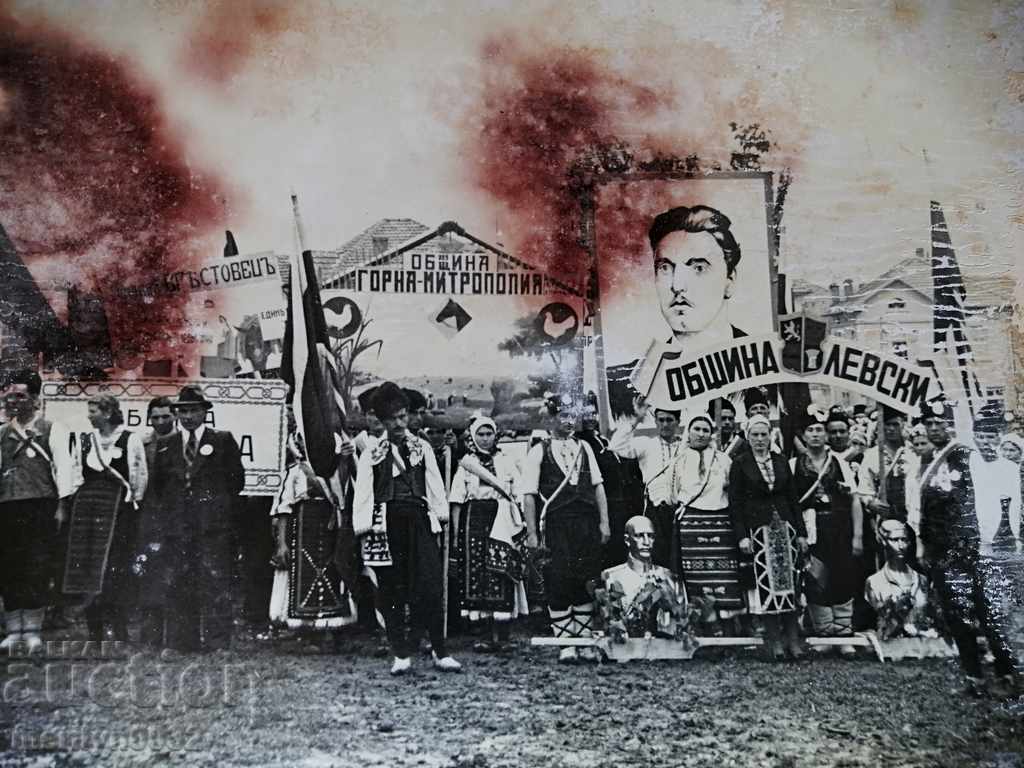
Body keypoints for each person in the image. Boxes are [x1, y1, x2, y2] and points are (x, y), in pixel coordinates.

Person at [352, 382, 460, 675]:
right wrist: (363, 530)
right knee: (391, 589)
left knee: (430, 585)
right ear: (383, 421)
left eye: (403, 416)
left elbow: (435, 485)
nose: (400, 423)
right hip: (385, 522)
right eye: (393, 419)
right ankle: (401, 653)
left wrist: (441, 517)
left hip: (419, 519)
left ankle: (440, 650)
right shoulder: (371, 453)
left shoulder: (421, 446)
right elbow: (363, 492)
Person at [604, 205, 746, 420]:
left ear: (730, 281)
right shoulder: (620, 388)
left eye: (698, 267)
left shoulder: (771, 370)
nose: (677, 285)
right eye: (665, 268)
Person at [917, 397, 1018, 698]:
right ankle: (974, 677)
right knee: (958, 616)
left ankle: (1006, 674)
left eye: (940, 423)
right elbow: (932, 507)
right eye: (929, 424)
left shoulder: (971, 459)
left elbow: (1005, 511)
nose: (935, 428)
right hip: (951, 552)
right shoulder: (940, 460)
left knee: (991, 615)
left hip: (985, 550)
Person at [141, 384, 244, 651]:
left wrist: (214, 509)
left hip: (211, 526)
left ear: (204, 412)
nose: (187, 417)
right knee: (177, 582)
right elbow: (159, 487)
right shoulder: (166, 445)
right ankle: (179, 642)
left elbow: (236, 482)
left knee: (214, 582)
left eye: (193, 411)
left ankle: (217, 642)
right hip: (177, 527)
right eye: (182, 411)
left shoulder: (221, 440)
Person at [522, 393, 610, 663]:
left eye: (573, 416)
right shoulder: (539, 450)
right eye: (563, 416)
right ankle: (566, 644)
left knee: (584, 577)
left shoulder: (585, 448)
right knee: (558, 577)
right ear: (550, 418)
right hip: (557, 523)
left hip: (585, 523)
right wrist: (533, 533)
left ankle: (583, 640)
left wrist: (604, 522)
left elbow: (598, 486)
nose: (569, 421)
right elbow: (529, 494)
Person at [0, 371, 80, 652]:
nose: (13, 401)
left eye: (20, 396)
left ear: (34, 399)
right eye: (9, 395)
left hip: (40, 506)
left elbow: (65, 469)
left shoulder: (51, 428)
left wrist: (61, 506)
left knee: (35, 567)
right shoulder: (1, 433)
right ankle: (13, 631)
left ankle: (32, 631)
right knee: (9, 569)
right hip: (7, 507)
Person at [63, 394, 147, 641]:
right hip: (88, 513)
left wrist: (132, 508)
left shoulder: (130, 440)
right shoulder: (85, 441)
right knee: (89, 568)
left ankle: (119, 629)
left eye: (93, 411)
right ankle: (95, 630)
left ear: (108, 412)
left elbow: (139, 478)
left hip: (119, 513)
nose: (89, 416)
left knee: (115, 569)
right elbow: (77, 475)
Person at [728, 415, 808, 660]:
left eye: (764, 435)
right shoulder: (740, 463)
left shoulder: (781, 460)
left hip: (785, 530)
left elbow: (793, 499)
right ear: (748, 437)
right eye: (755, 435)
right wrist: (742, 536)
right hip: (759, 531)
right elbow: (736, 503)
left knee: (791, 584)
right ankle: (774, 641)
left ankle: (793, 640)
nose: (760, 440)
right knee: (767, 586)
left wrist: (802, 533)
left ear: (770, 436)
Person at [449, 415, 528, 651]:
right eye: (480, 434)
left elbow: (520, 491)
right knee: (478, 574)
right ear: (473, 437)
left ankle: (503, 635)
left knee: (501, 571)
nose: (485, 439)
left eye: (489, 434)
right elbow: (456, 500)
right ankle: (483, 634)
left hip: (502, 518)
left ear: (496, 435)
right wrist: (455, 534)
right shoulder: (466, 464)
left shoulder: (506, 460)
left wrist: (519, 522)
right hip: (474, 520)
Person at [790, 407, 863, 657]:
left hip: (839, 527)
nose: (816, 435)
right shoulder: (794, 465)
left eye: (820, 430)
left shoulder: (840, 462)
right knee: (816, 577)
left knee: (843, 575)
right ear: (803, 435)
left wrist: (858, 536)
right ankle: (823, 631)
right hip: (811, 528)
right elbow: (791, 502)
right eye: (810, 430)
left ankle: (843, 633)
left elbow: (854, 499)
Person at [674, 413, 741, 633]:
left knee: (725, 576)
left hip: (720, 521)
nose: (701, 434)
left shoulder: (723, 459)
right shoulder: (679, 458)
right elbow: (672, 490)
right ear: (688, 433)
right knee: (697, 578)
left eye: (706, 430)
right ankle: (709, 628)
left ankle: (729, 630)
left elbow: (732, 489)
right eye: (697, 429)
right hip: (692, 522)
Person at [608, 397, 683, 569]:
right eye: (661, 420)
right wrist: (636, 419)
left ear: (677, 422)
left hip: (681, 510)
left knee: (681, 557)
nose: (665, 424)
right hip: (655, 509)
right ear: (656, 421)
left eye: (669, 420)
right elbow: (616, 446)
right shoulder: (647, 444)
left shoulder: (685, 446)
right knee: (657, 558)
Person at [598, 516, 687, 640]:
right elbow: (603, 623)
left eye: (650, 536)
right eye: (639, 536)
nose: (646, 541)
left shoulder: (669, 577)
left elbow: (681, 622)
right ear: (627, 540)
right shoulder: (610, 576)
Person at [576, 403, 643, 567]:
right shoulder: (580, 443)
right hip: (602, 505)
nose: (591, 418)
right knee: (609, 553)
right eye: (586, 414)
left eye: (593, 414)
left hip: (619, 503)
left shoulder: (601, 439)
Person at [865, 519, 932, 639]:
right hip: (890, 643)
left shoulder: (921, 580)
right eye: (894, 540)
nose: (901, 546)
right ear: (883, 542)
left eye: (904, 540)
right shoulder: (874, 582)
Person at [970, 402, 1022, 557]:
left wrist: (1017, 536)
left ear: (999, 438)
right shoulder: (970, 463)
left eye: (990, 437)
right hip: (975, 535)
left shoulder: (1010, 468)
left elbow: (1016, 505)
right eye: (980, 437)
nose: (985, 442)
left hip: (1003, 536)